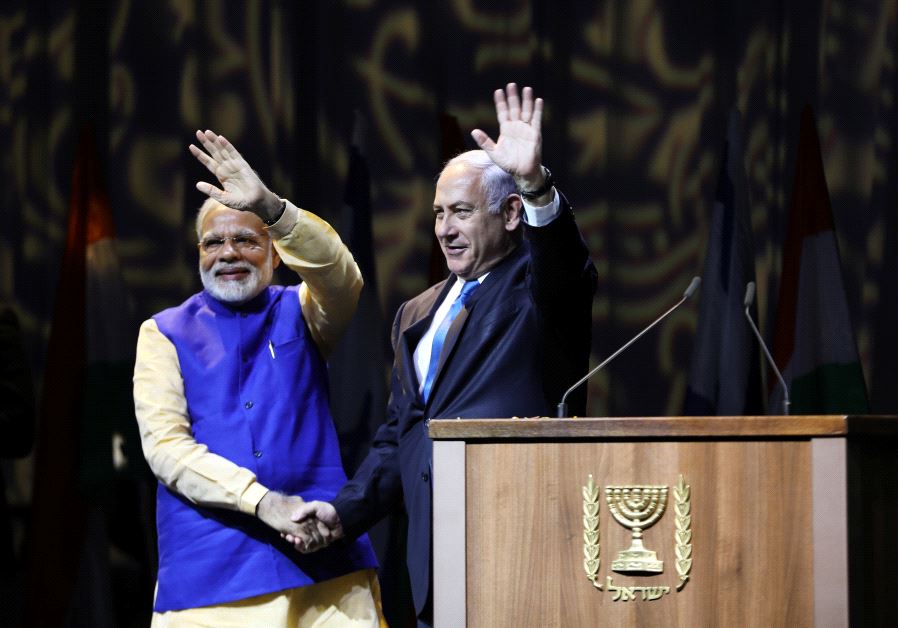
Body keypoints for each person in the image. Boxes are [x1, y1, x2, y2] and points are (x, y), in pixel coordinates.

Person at [289, 83, 598, 626]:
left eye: (461, 212)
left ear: (509, 215)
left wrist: (536, 186)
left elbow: (564, 269)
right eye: (438, 214)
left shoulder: (538, 288)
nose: (445, 231)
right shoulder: (416, 313)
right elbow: (401, 435)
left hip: (519, 538)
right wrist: (345, 509)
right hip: (433, 554)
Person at [132, 130, 384, 626]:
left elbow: (343, 278)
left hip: (323, 558)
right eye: (213, 243)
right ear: (198, 255)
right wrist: (261, 502)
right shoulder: (162, 332)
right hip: (212, 569)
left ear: (275, 254)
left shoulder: (302, 308)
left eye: (246, 239)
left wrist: (272, 208)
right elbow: (165, 447)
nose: (228, 253)